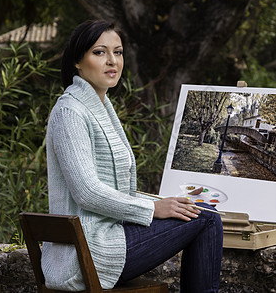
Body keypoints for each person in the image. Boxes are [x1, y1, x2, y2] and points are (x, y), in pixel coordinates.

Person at [41, 19, 223, 292]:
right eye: (100, 52)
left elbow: (117, 190)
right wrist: (152, 209)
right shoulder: (71, 112)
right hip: (87, 253)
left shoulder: (100, 106)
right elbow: (87, 192)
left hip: (101, 240)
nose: (112, 61)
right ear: (78, 61)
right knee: (207, 218)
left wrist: (163, 203)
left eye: (118, 52)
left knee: (197, 211)